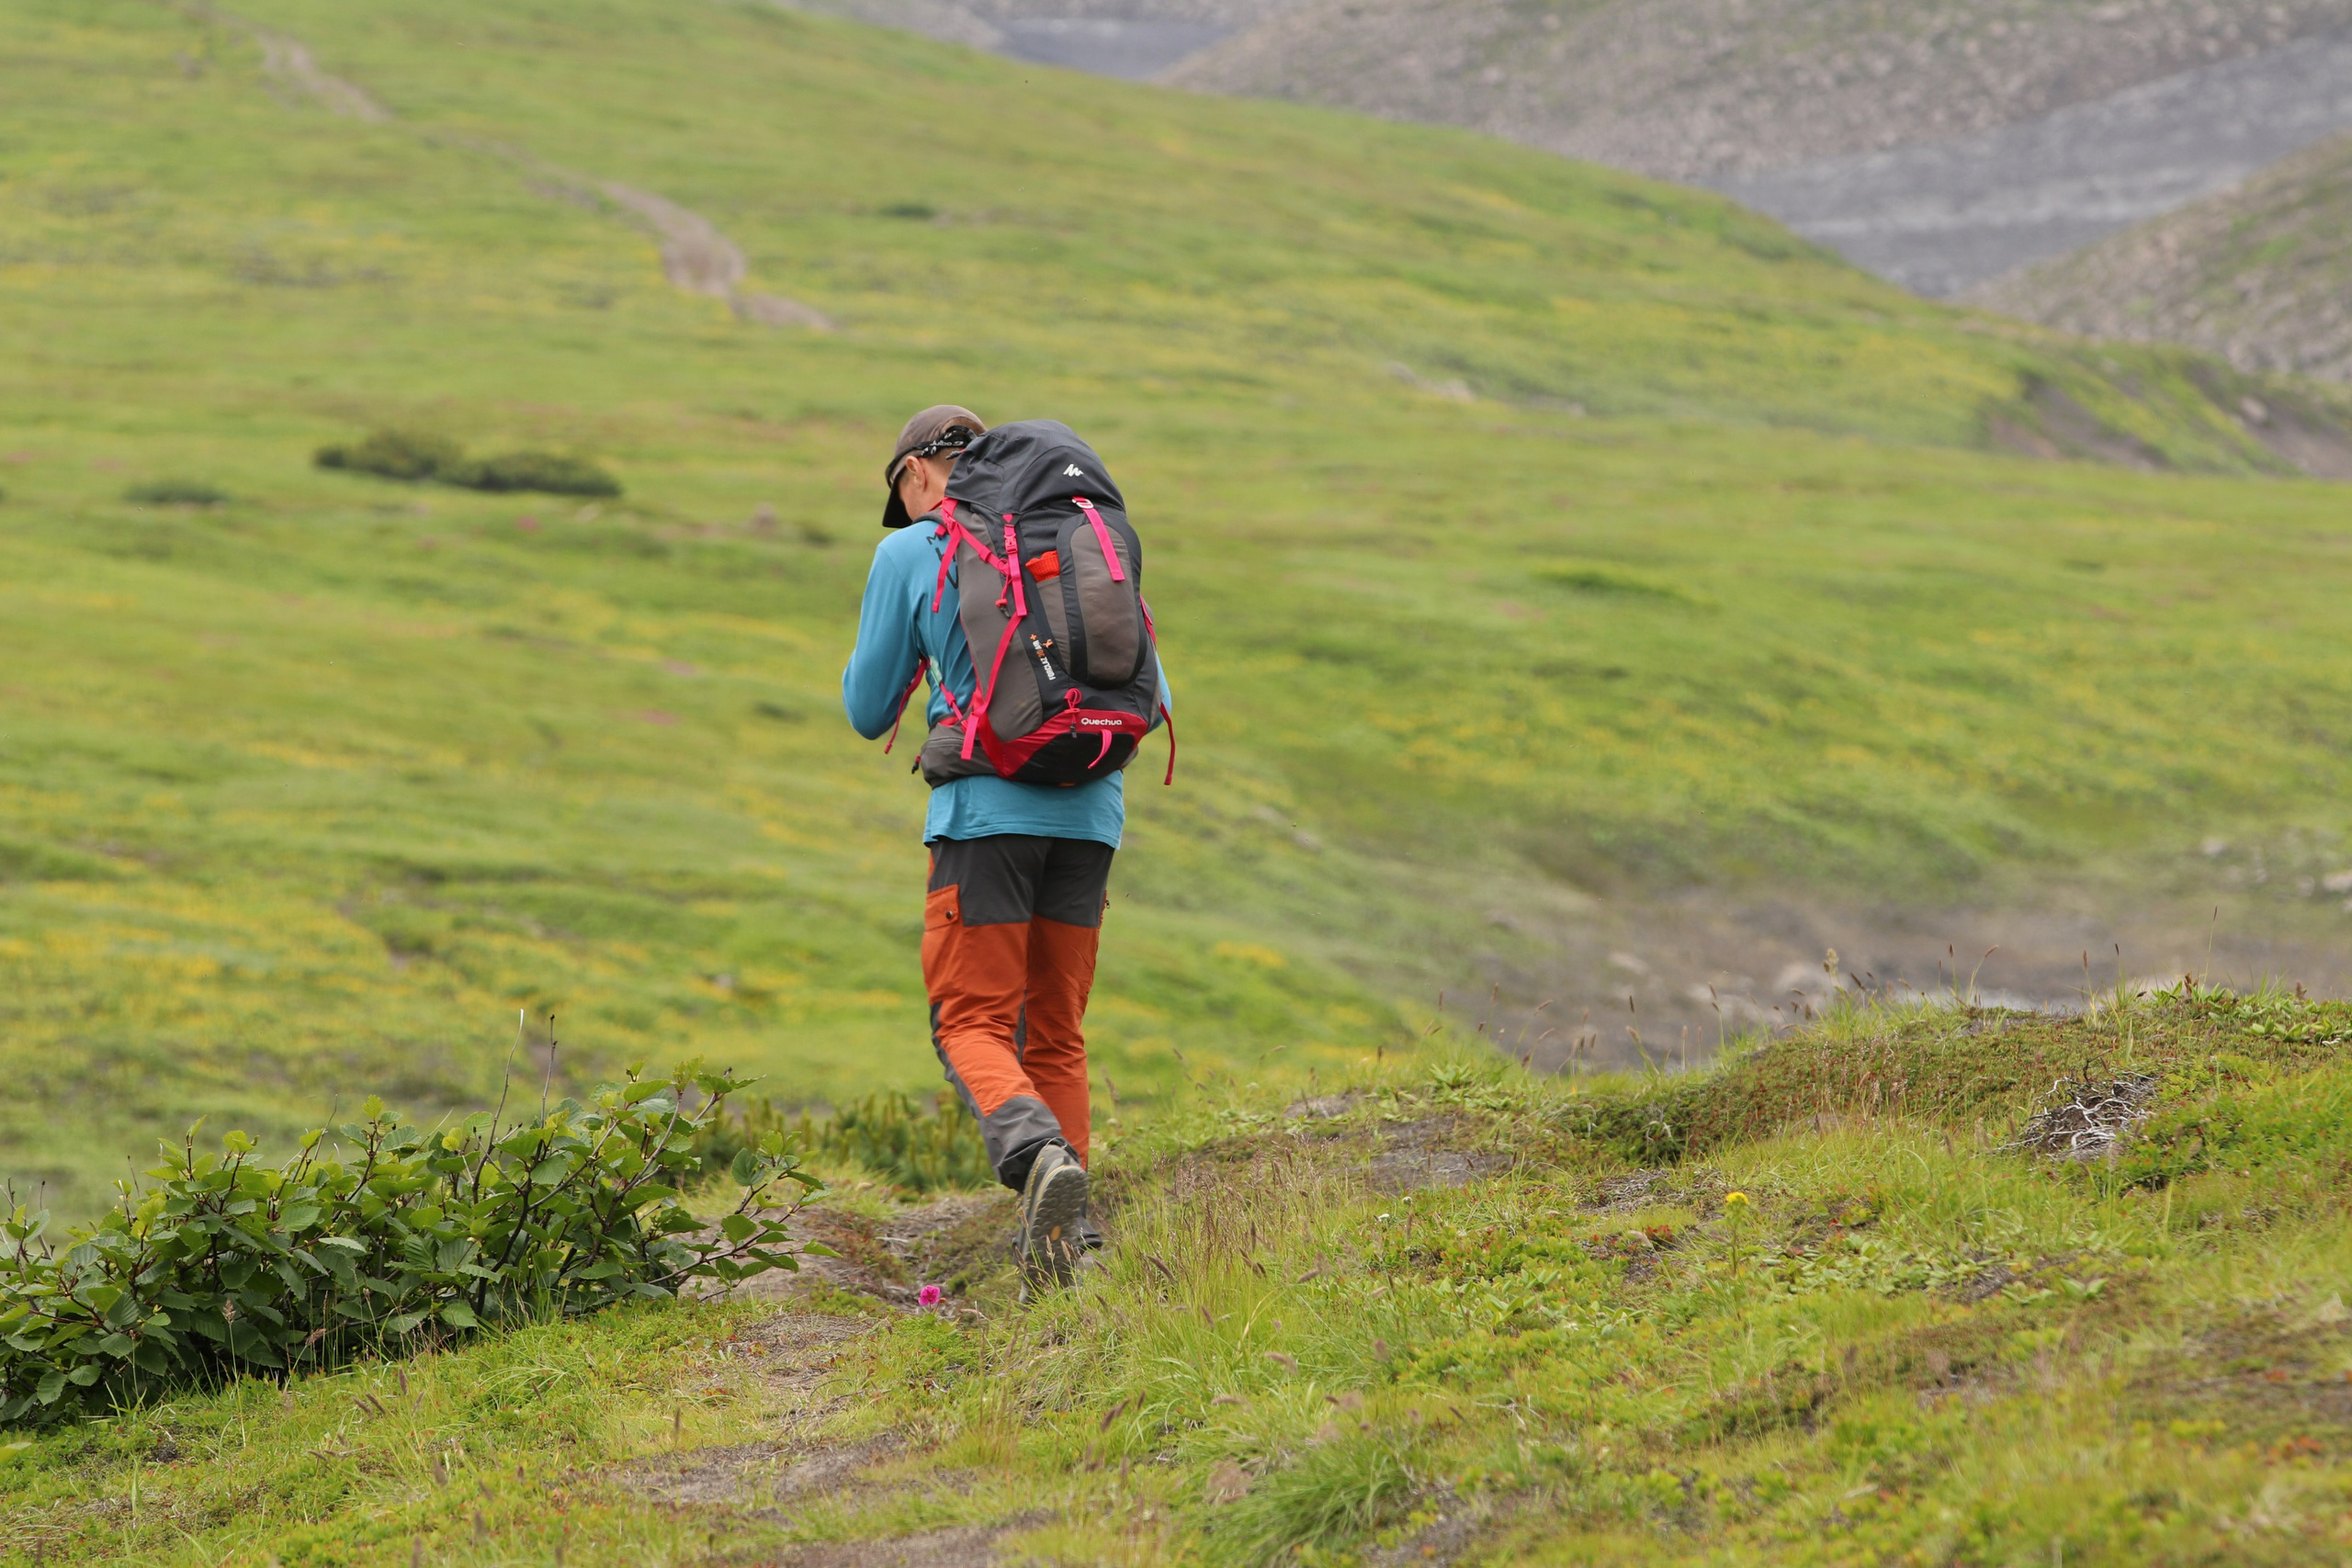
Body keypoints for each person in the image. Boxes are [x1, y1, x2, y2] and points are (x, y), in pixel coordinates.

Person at [839, 405, 1166, 1287]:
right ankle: (1073, 1235)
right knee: (1054, 1029)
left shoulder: (912, 550)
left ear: (914, 475)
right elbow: (1149, 682)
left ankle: (1035, 1157)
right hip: (1092, 811)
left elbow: (868, 708)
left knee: (971, 1021)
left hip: (987, 817)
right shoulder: (1076, 540)